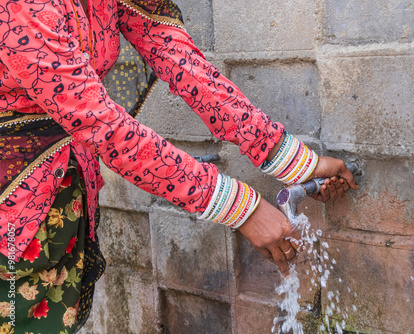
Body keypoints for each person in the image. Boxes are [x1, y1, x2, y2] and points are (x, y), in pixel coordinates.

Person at [0, 0, 356, 332]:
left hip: (62, 190)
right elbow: (102, 124)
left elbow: (173, 52)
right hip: (12, 201)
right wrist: (242, 209)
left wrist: (293, 160)